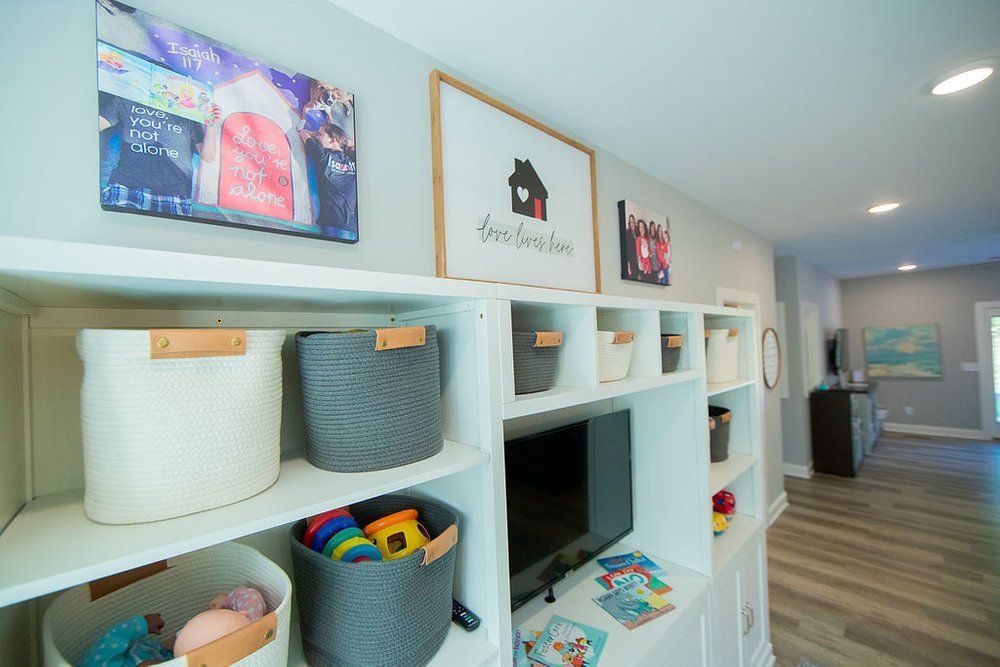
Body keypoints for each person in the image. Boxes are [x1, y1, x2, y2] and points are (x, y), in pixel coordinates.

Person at [99, 94, 219, 216]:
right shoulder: (127, 99)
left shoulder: (187, 114)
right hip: (128, 186)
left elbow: (208, 156)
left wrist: (211, 125)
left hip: (174, 194)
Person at [299, 122, 358, 240]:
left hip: (350, 226)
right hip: (335, 223)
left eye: (320, 134)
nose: (317, 136)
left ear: (332, 140)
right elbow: (302, 132)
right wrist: (342, 141)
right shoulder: (324, 155)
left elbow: (304, 132)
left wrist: (343, 141)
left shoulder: (350, 157)